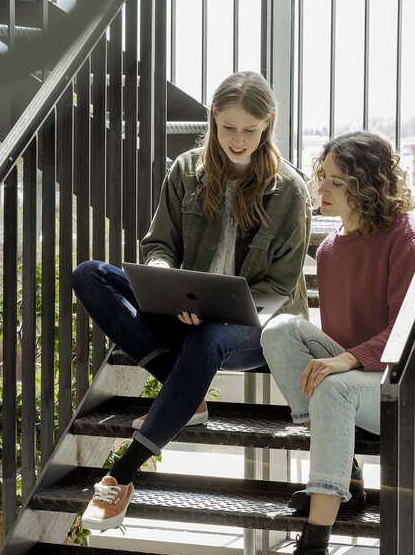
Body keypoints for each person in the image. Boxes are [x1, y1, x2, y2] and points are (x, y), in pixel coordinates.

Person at [70, 71, 311, 531]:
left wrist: (218, 311)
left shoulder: (290, 192)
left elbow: (280, 287)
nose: (237, 140)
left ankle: (121, 474)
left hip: (257, 330)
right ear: (212, 120)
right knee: (90, 275)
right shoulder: (186, 170)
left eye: (249, 130)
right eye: (227, 127)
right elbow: (159, 243)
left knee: (209, 335)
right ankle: (189, 394)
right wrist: (164, 280)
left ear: (268, 125)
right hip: (187, 314)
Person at [261, 131, 415, 555]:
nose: (323, 191)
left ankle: (313, 554)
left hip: (403, 384)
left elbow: (407, 331)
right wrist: (342, 361)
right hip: (357, 377)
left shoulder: (402, 237)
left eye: (336, 182)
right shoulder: (331, 250)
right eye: (324, 179)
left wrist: (347, 361)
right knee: (279, 330)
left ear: (366, 185)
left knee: (332, 384)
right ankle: (346, 478)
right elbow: (333, 339)